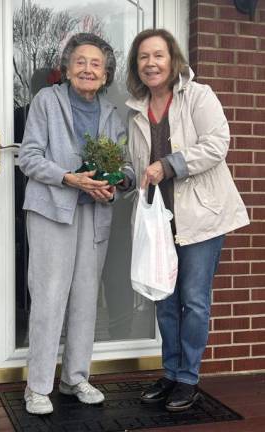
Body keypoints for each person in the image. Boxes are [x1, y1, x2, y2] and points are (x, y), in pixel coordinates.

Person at [125, 28, 249, 412]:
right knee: (165, 299)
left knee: (194, 300)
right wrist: (125, 178)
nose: (151, 63)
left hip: (202, 217)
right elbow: (137, 165)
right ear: (137, 66)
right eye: (143, 57)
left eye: (158, 55)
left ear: (172, 59)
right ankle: (170, 371)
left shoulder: (198, 95)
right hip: (160, 221)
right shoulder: (136, 112)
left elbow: (217, 143)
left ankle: (188, 379)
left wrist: (169, 164)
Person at [18, 33, 133, 415]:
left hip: (94, 213)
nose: (87, 69)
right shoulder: (46, 102)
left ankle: (75, 378)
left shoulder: (112, 114)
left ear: (105, 74)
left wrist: (113, 186)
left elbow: (125, 166)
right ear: (67, 68)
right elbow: (28, 157)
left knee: (85, 297)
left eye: (96, 64)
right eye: (80, 62)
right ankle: (37, 387)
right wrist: (70, 178)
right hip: (53, 209)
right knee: (50, 296)